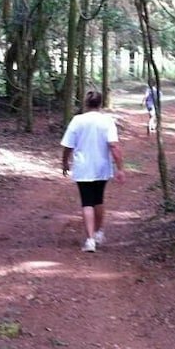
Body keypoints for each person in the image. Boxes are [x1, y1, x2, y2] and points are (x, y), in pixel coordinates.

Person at [60, 90, 125, 252]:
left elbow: (68, 146)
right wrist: (120, 168)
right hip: (102, 166)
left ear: (86, 103)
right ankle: (99, 232)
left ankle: (90, 240)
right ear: (101, 104)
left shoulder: (77, 120)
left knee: (86, 201)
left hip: (83, 167)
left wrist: (65, 163)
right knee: (98, 199)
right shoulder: (107, 121)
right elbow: (114, 146)